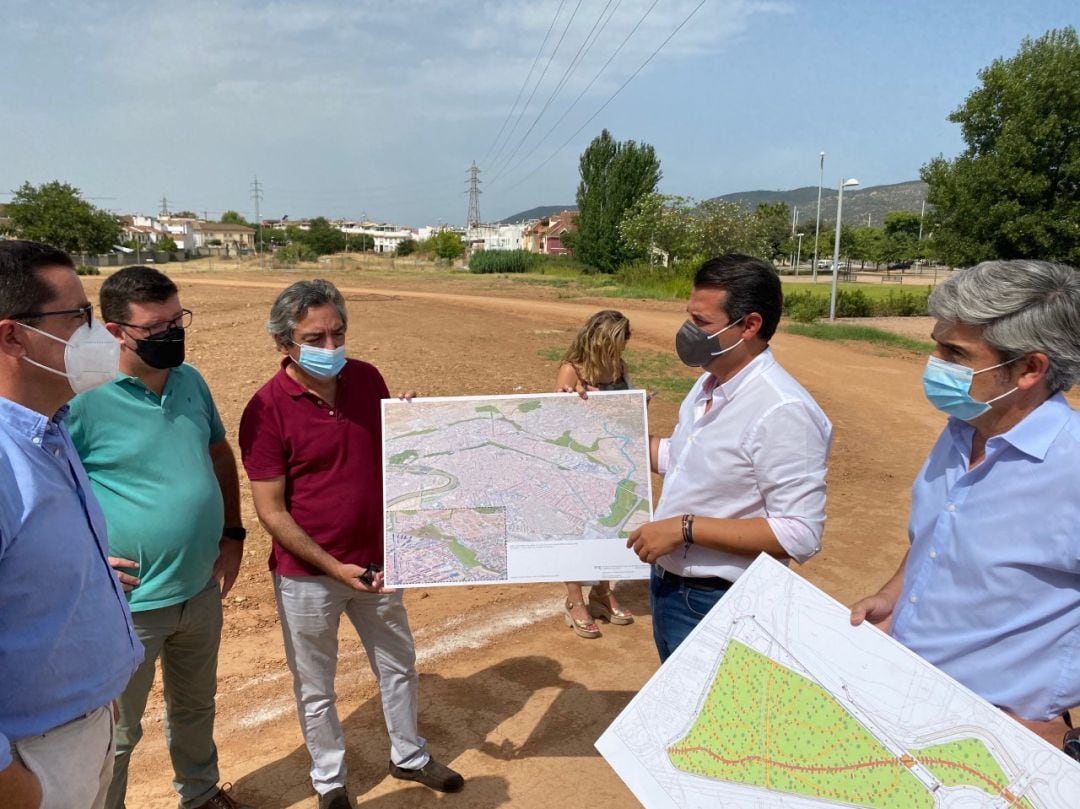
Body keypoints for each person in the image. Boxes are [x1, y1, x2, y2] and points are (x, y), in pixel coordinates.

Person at [239, 280, 464, 809]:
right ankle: (330, 781)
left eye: (337, 333)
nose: (330, 346)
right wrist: (333, 566)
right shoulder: (266, 409)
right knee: (315, 684)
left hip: (380, 562)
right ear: (283, 343)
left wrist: (409, 419)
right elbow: (271, 510)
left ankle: (408, 756)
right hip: (307, 576)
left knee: (398, 664)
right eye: (314, 337)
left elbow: (400, 455)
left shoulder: (367, 379)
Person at [850, 259, 1080, 750]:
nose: (934, 363)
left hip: (996, 749)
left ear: (1029, 369)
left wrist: (1072, 739)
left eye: (954, 352)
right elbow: (938, 535)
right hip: (902, 705)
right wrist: (894, 596)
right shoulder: (963, 429)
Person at [66, 266, 253, 809]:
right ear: (115, 330)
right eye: (155, 327)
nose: (173, 333)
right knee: (117, 733)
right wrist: (87, 558)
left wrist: (233, 533)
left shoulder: (190, 380)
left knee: (195, 707)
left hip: (198, 590)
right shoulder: (84, 397)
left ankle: (199, 793)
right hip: (127, 605)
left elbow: (218, 452)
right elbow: (50, 485)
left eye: (178, 319)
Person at [626, 255, 832, 661]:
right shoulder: (710, 383)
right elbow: (682, 460)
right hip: (670, 588)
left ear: (749, 326)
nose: (688, 332)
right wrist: (595, 426)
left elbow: (799, 533)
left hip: (718, 601)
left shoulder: (782, 409)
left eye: (702, 323)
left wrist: (685, 529)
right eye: (690, 318)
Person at [0, 240, 143, 809]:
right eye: (79, 317)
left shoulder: (49, 430)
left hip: (82, 731)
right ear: (13, 336)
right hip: (33, 763)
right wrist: (18, 790)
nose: (101, 335)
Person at [555, 310, 637, 638]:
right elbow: (556, 423)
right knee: (576, 531)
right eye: (618, 341)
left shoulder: (620, 367)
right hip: (579, 464)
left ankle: (602, 592)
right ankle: (574, 600)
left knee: (609, 527)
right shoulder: (571, 370)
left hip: (613, 460)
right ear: (601, 339)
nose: (622, 348)